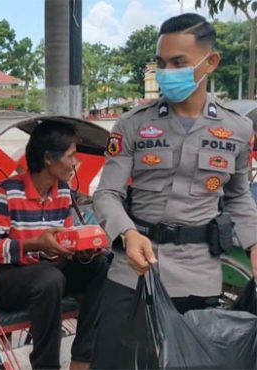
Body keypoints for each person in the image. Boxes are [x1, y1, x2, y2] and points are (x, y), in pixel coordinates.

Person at [92, 14, 257, 368]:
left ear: (210, 62)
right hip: (134, 273)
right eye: (161, 64)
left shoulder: (238, 129)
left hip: (200, 276)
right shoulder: (134, 123)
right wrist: (127, 232)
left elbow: (239, 196)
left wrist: (255, 245)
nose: (167, 72)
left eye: (178, 63)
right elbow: (107, 193)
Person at [0, 121, 109, 370]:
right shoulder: (6, 192)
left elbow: (65, 239)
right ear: (49, 158)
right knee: (49, 277)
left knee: (101, 265)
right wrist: (34, 243)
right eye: (71, 156)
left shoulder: (63, 192)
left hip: (48, 272)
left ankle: (82, 359)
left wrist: (83, 251)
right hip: (3, 279)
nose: (75, 163)